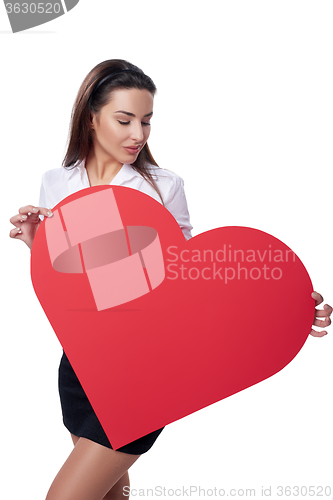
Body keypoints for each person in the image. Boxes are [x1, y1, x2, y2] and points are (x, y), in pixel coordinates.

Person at [9, 59, 332, 500]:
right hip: (81, 365)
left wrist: (284, 302)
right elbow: (76, 286)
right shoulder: (57, 182)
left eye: (146, 121)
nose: (138, 134)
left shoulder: (161, 186)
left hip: (142, 372)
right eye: (124, 120)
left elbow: (188, 282)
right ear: (91, 117)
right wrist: (35, 245)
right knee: (108, 496)